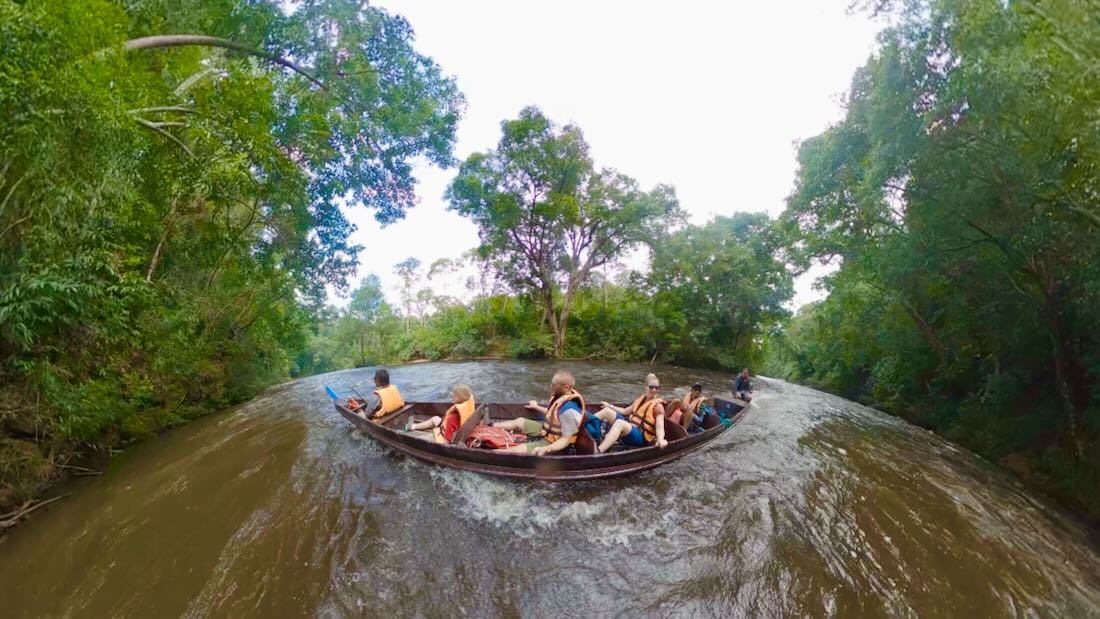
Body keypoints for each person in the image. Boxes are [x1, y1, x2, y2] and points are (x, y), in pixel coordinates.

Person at [491, 370, 586, 456]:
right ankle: (488, 427)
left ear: (566, 387)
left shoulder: (569, 411)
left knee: (520, 449)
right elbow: (552, 414)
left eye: (554, 385)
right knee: (519, 421)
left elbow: (565, 440)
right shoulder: (560, 396)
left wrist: (547, 448)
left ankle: (491, 455)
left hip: (555, 443)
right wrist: (536, 407)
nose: (551, 386)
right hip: (547, 431)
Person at [593, 373, 668, 453]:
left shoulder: (658, 406)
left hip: (641, 437)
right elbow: (625, 411)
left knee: (620, 423)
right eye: (651, 387)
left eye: (657, 388)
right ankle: (584, 427)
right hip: (631, 428)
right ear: (645, 387)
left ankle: (598, 451)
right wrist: (610, 406)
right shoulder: (642, 399)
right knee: (607, 411)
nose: (654, 390)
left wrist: (661, 440)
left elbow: (660, 426)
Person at [405, 384, 476, 443]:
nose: (452, 396)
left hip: (443, 437)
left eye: (454, 395)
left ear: (458, 398)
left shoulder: (452, 418)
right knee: (435, 419)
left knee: (420, 439)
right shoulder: (467, 408)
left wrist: (436, 435)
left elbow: (446, 440)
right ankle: (413, 426)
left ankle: (408, 438)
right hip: (449, 429)